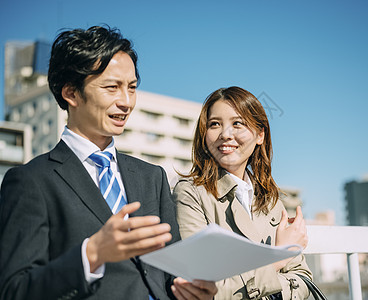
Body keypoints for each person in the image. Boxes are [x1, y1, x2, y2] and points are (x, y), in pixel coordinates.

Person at [0, 25, 216, 300]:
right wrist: (92, 254)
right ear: (71, 93)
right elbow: (14, 290)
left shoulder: (152, 177)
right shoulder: (31, 181)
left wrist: (193, 289)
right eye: (112, 87)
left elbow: (172, 273)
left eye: (132, 88)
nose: (126, 102)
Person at [173, 86, 313, 299]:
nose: (225, 134)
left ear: (260, 135)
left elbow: (302, 280)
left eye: (237, 124)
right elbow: (201, 285)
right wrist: (278, 259)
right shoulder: (190, 194)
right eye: (214, 124)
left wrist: (247, 282)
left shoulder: (271, 200)